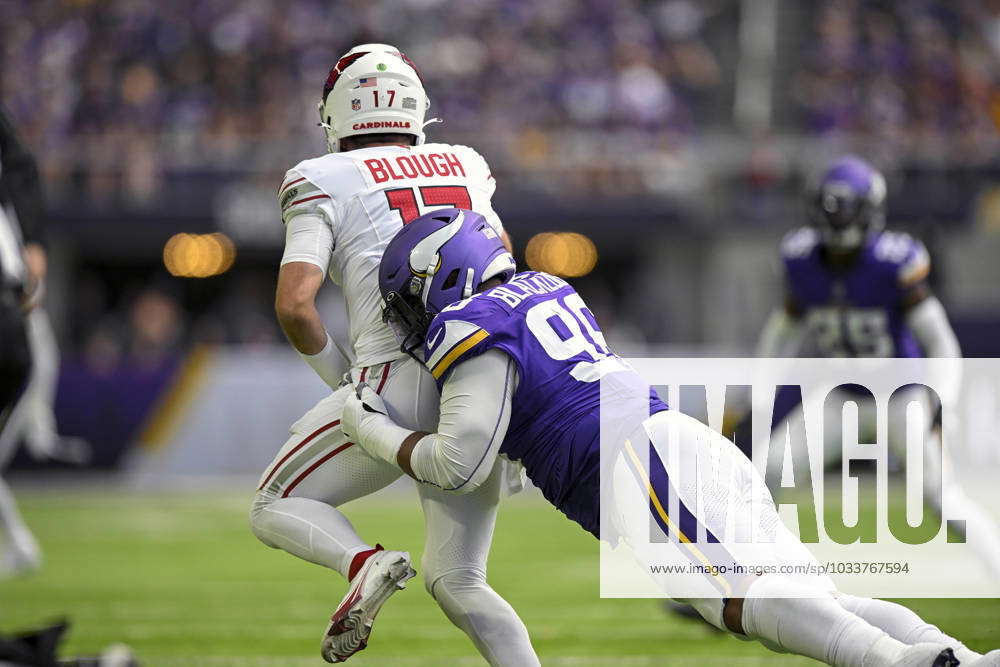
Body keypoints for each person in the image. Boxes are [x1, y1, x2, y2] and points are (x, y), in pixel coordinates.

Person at [342, 207, 999, 667]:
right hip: (676, 442)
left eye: (410, 299)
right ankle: (964, 660)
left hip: (636, 461)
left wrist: (371, 429)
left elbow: (458, 459)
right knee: (811, 597)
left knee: (741, 603)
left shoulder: (467, 321)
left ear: (443, 275)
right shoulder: (546, 288)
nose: (410, 319)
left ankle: (904, 661)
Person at [248, 45, 539, 664]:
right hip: (482, 377)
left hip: (391, 383)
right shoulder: (465, 164)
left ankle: (364, 563)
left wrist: (347, 383)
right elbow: (505, 273)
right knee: (461, 581)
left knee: (274, 505)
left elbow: (295, 304)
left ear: (335, 111)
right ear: (416, 105)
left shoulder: (318, 178)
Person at [754, 155, 1000, 582]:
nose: (838, 221)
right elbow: (783, 331)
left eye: (847, 209)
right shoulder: (802, 260)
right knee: (767, 471)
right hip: (843, 398)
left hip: (901, 397)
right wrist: (760, 387)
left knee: (939, 496)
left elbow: (939, 339)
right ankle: (738, 583)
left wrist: (942, 401)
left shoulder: (892, 261)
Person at [0, 106, 42, 577]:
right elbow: (22, 164)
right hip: (12, 314)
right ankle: (19, 540)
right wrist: (33, 241)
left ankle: (20, 542)